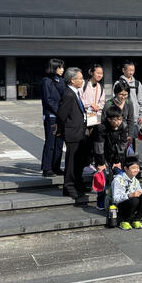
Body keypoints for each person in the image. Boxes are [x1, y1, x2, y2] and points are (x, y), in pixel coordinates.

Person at [55, 67, 89, 205]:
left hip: (80, 132)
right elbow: (62, 115)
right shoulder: (68, 94)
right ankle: (68, 186)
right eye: (80, 78)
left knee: (79, 161)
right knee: (71, 162)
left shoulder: (76, 92)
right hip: (72, 133)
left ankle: (78, 183)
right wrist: (62, 131)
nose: (82, 80)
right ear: (72, 80)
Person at [91, 106, 129, 210]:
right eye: (116, 120)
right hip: (101, 153)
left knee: (119, 175)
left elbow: (122, 145)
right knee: (101, 177)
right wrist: (101, 163)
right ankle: (100, 201)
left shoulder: (123, 126)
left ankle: (119, 200)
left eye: (120, 119)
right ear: (109, 119)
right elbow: (99, 147)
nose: (118, 122)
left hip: (115, 153)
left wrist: (117, 161)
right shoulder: (101, 128)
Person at [40, 58, 66, 178]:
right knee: (50, 142)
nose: (62, 70)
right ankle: (47, 168)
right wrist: (60, 111)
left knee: (59, 143)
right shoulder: (46, 81)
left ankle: (56, 166)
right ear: (54, 68)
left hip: (61, 116)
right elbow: (48, 100)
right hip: (51, 116)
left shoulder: (61, 81)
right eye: (60, 67)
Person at [111, 156, 142, 230]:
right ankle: (124, 220)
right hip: (120, 206)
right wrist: (129, 195)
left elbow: (138, 192)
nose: (136, 170)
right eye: (133, 168)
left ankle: (136, 219)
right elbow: (115, 199)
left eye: (138, 168)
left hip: (131, 204)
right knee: (134, 200)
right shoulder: (117, 180)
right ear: (126, 168)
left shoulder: (135, 180)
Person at [117, 60, 142, 137]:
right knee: (122, 140)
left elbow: (141, 101)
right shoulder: (118, 83)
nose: (131, 72)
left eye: (133, 70)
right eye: (129, 70)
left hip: (134, 119)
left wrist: (141, 115)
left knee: (132, 140)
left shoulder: (137, 84)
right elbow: (115, 101)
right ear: (123, 70)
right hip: (121, 119)